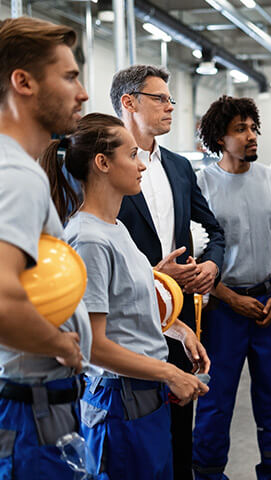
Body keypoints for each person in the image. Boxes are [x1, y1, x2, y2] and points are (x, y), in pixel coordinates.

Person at [41, 113, 211, 479]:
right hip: (120, 400)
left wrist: (180, 330)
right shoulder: (88, 240)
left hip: (144, 395)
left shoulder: (116, 228)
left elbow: (128, 302)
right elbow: (93, 345)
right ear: (102, 163)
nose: (142, 166)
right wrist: (170, 373)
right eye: (133, 155)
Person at [110, 64, 225, 478]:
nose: (170, 107)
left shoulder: (178, 167)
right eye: (160, 98)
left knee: (179, 431)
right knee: (133, 437)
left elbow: (213, 229)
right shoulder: (106, 168)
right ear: (129, 102)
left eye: (170, 99)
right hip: (125, 325)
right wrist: (154, 276)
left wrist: (212, 264)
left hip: (178, 319)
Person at [0, 17, 93, 479]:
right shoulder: (17, 176)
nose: (83, 93)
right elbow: (1, 300)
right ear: (24, 82)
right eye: (70, 76)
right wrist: (62, 343)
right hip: (29, 412)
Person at [192, 95, 271, 480]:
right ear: (220, 138)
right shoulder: (200, 185)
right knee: (215, 400)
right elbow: (196, 255)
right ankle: (208, 473)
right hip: (223, 310)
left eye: (253, 128)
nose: (252, 136)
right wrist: (229, 296)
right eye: (241, 129)